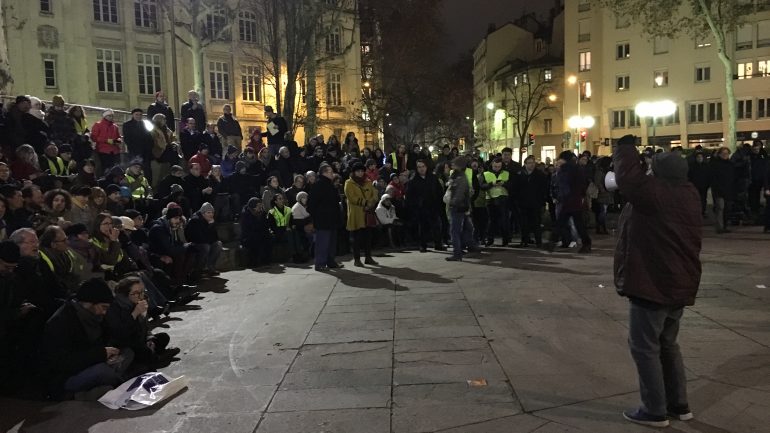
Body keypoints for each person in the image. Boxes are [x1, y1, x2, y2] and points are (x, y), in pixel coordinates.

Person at [611, 135, 702, 428]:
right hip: (679, 281)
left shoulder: (655, 193)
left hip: (654, 280)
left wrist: (625, 148)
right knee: (668, 344)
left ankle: (654, 409)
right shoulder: (689, 193)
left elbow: (628, 179)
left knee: (644, 346)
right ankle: (679, 404)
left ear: (659, 173)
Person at [40, 278, 134, 400]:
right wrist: (100, 354)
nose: (105, 312)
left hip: (93, 363)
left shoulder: (95, 316)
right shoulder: (61, 322)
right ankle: (79, 394)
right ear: (90, 303)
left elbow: (111, 338)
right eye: (103, 307)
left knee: (128, 352)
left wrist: (109, 354)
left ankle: (104, 387)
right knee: (103, 371)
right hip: (67, 376)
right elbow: (61, 363)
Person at [105, 276, 179, 370]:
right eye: (135, 293)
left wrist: (149, 339)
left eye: (142, 292)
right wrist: (134, 314)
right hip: (125, 344)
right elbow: (121, 334)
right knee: (140, 349)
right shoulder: (115, 307)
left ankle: (153, 355)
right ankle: (156, 359)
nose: (140, 296)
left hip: (140, 339)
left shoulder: (137, 302)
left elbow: (145, 328)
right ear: (125, 294)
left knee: (163, 337)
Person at [548, 151, 592, 253]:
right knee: (577, 222)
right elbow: (583, 184)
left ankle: (552, 242)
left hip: (568, 200)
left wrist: (562, 197)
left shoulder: (565, 169)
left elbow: (563, 185)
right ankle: (586, 243)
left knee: (561, 222)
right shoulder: (578, 168)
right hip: (576, 199)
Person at [307, 163, 342, 271]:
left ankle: (330, 261)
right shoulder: (318, 185)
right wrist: (316, 216)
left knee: (331, 243)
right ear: (324, 173)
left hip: (332, 219)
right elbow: (312, 204)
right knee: (322, 242)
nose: (332, 174)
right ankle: (320, 263)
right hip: (323, 220)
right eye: (330, 172)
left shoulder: (331, 185)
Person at [344, 162, 378, 267]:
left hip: (367, 213)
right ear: (354, 172)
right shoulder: (349, 183)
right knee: (356, 239)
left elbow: (375, 193)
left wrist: (371, 203)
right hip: (356, 214)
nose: (360, 173)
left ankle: (368, 257)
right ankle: (357, 259)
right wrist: (365, 203)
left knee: (368, 237)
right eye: (358, 171)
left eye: (362, 171)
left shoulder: (368, 182)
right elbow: (351, 197)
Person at [406, 159, 444, 252]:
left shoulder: (432, 178)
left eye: (423, 166)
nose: (421, 169)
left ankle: (438, 243)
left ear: (426, 167)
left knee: (436, 225)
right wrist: (415, 205)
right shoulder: (413, 181)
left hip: (433, 206)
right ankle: (423, 245)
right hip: (421, 208)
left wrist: (439, 202)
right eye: (419, 167)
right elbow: (409, 196)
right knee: (423, 227)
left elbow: (439, 191)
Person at [516, 155, 548, 247]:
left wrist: (542, 200)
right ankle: (524, 240)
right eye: (529, 163)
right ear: (525, 164)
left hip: (535, 203)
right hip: (523, 203)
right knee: (524, 223)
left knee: (536, 223)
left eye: (533, 163)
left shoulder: (540, 175)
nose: (531, 165)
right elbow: (516, 189)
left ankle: (538, 241)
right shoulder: (520, 174)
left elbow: (543, 189)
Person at [185, 202, 222, 277]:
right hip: (193, 243)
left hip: (204, 241)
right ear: (203, 213)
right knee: (206, 247)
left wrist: (211, 225)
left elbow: (215, 238)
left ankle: (210, 267)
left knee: (218, 244)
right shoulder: (195, 220)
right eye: (208, 213)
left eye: (212, 213)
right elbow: (200, 238)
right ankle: (198, 270)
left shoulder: (209, 220)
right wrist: (209, 226)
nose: (211, 215)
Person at [481, 158, 511, 247]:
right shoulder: (486, 174)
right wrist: (491, 184)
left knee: (504, 221)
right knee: (491, 221)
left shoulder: (506, 173)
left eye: (499, 166)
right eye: (495, 166)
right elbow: (482, 186)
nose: (497, 168)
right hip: (490, 200)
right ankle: (490, 239)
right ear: (492, 165)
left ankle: (505, 240)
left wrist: (504, 184)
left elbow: (512, 185)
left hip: (503, 199)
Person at [122, 108, 154, 179]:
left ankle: (147, 185)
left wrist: (149, 148)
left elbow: (150, 138)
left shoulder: (145, 124)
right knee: (135, 169)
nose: (138, 116)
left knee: (147, 170)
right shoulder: (127, 125)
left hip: (146, 152)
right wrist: (133, 149)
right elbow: (127, 138)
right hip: (134, 152)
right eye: (136, 114)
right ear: (132, 115)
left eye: (140, 115)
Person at [709, 147, 735, 234]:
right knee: (720, 207)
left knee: (727, 208)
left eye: (727, 153)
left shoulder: (730, 164)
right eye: (723, 154)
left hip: (729, 190)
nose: (725, 155)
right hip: (718, 190)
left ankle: (725, 225)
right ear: (719, 154)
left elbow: (733, 177)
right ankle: (720, 227)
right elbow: (713, 178)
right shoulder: (715, 164)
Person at [240, 198, 272, 267]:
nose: (260, 207)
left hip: (259, 233)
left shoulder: (262, 213)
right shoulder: (246, 214)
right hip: (248, 236)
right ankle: (253, 262)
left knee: (268, 237)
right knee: (255, 239)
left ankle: (266, 260)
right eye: (258, 205)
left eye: (261, 205)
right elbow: (249, 228)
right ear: (253, 206)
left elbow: (266, 225)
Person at [150, 113, 179, 188]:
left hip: (168, 149)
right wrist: (165, 145)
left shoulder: (167, 129)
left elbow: (174, 138)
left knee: (174, 151)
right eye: (163, 119)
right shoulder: (154, 130)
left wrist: (174, 143)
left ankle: (175, 169)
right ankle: (174, 170)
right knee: (172, 153)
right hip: (159, 151)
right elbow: (155, 142)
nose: (165, 121)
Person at [91, 110, 122, 175]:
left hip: (115, 151)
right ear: (105, 116)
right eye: (109, 116)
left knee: (115, 169)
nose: (111, 117)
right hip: (103, 151)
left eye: (112, 116)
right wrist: (106, 140)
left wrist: (118, 140)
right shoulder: (98, 125)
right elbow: (94, 137)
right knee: (104, 169)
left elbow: (118, 136)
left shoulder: (115, 126)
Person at [687, 151, 710, 216]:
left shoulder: (706, 166)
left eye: (701, 157)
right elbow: (689, 176)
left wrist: (708, 184)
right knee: (695, 199)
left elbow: (708, 176)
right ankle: (696, 211)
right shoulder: (692, 166)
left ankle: (703, 211)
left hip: (704, 186)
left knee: (703, 199)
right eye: (698, 157)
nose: (700, 158)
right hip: (695, 185)